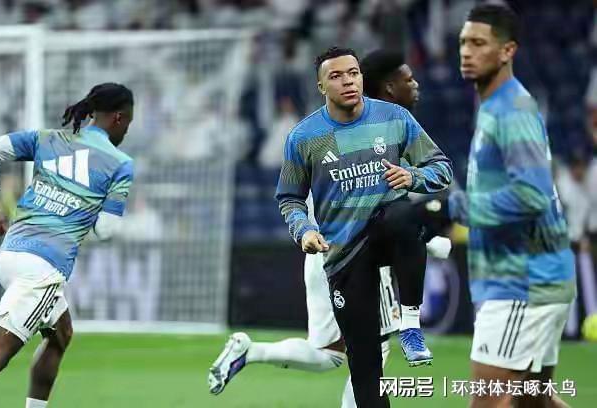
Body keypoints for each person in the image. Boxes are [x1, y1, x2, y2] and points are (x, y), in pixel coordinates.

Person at [208, 48, 452, 407]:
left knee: (343, 353)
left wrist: (413, 178)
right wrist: (303, 230)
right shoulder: (304, 136)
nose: (348, 81)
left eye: (353, 73)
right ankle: (255, 352)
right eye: (336, 76)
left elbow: (440, 170)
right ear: (321, 85)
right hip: (334, 254)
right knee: (357, 358)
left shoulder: (394, 119)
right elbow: (289, 197)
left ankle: (409, 325)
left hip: (373, 246)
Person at [420, 5, 575, 408]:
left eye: (478, 43)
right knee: (532, 401)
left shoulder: (512, 111)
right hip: (530, 276)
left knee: (488, 402)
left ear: (507, 51)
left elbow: (532, 196)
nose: (466, 52)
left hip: (521, 281)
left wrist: (452, 208)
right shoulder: (494, 106)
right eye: (463, 43)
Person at [0, 83, 135, 408]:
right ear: (119, 118)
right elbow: (105, 231)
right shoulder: (120, 163)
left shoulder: (47, 139)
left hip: (11, 253)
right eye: (129, 122)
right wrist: (82, 208)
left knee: (60, 335)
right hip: (42, 268)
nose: (127, 130)